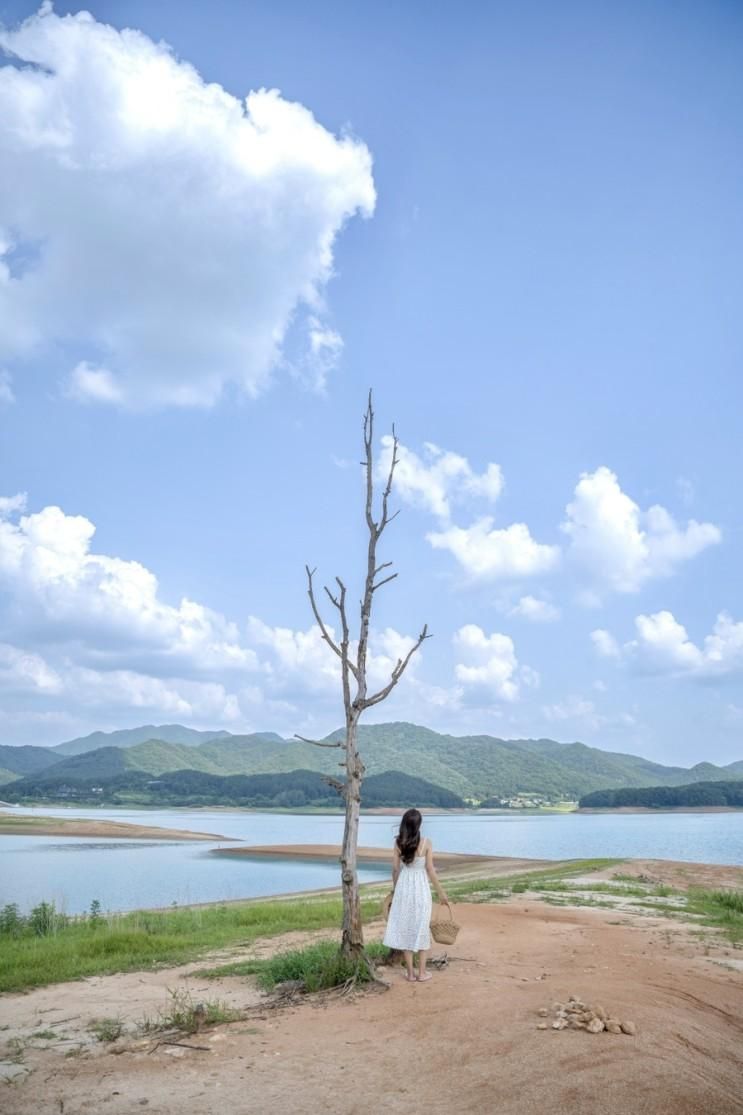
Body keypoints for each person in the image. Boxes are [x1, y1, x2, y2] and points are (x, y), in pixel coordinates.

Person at [383, 807, 449, 982]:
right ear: (419, 824)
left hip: (404, 887)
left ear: (405, 823)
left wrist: (396, 889)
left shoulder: (398, 843)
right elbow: (430, 870)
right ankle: (422, 973)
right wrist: (441, 893)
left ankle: (410, 974)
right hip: (420, 888)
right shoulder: (426, 843)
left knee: (406, 929)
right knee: (421, 928)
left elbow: (395, 870)